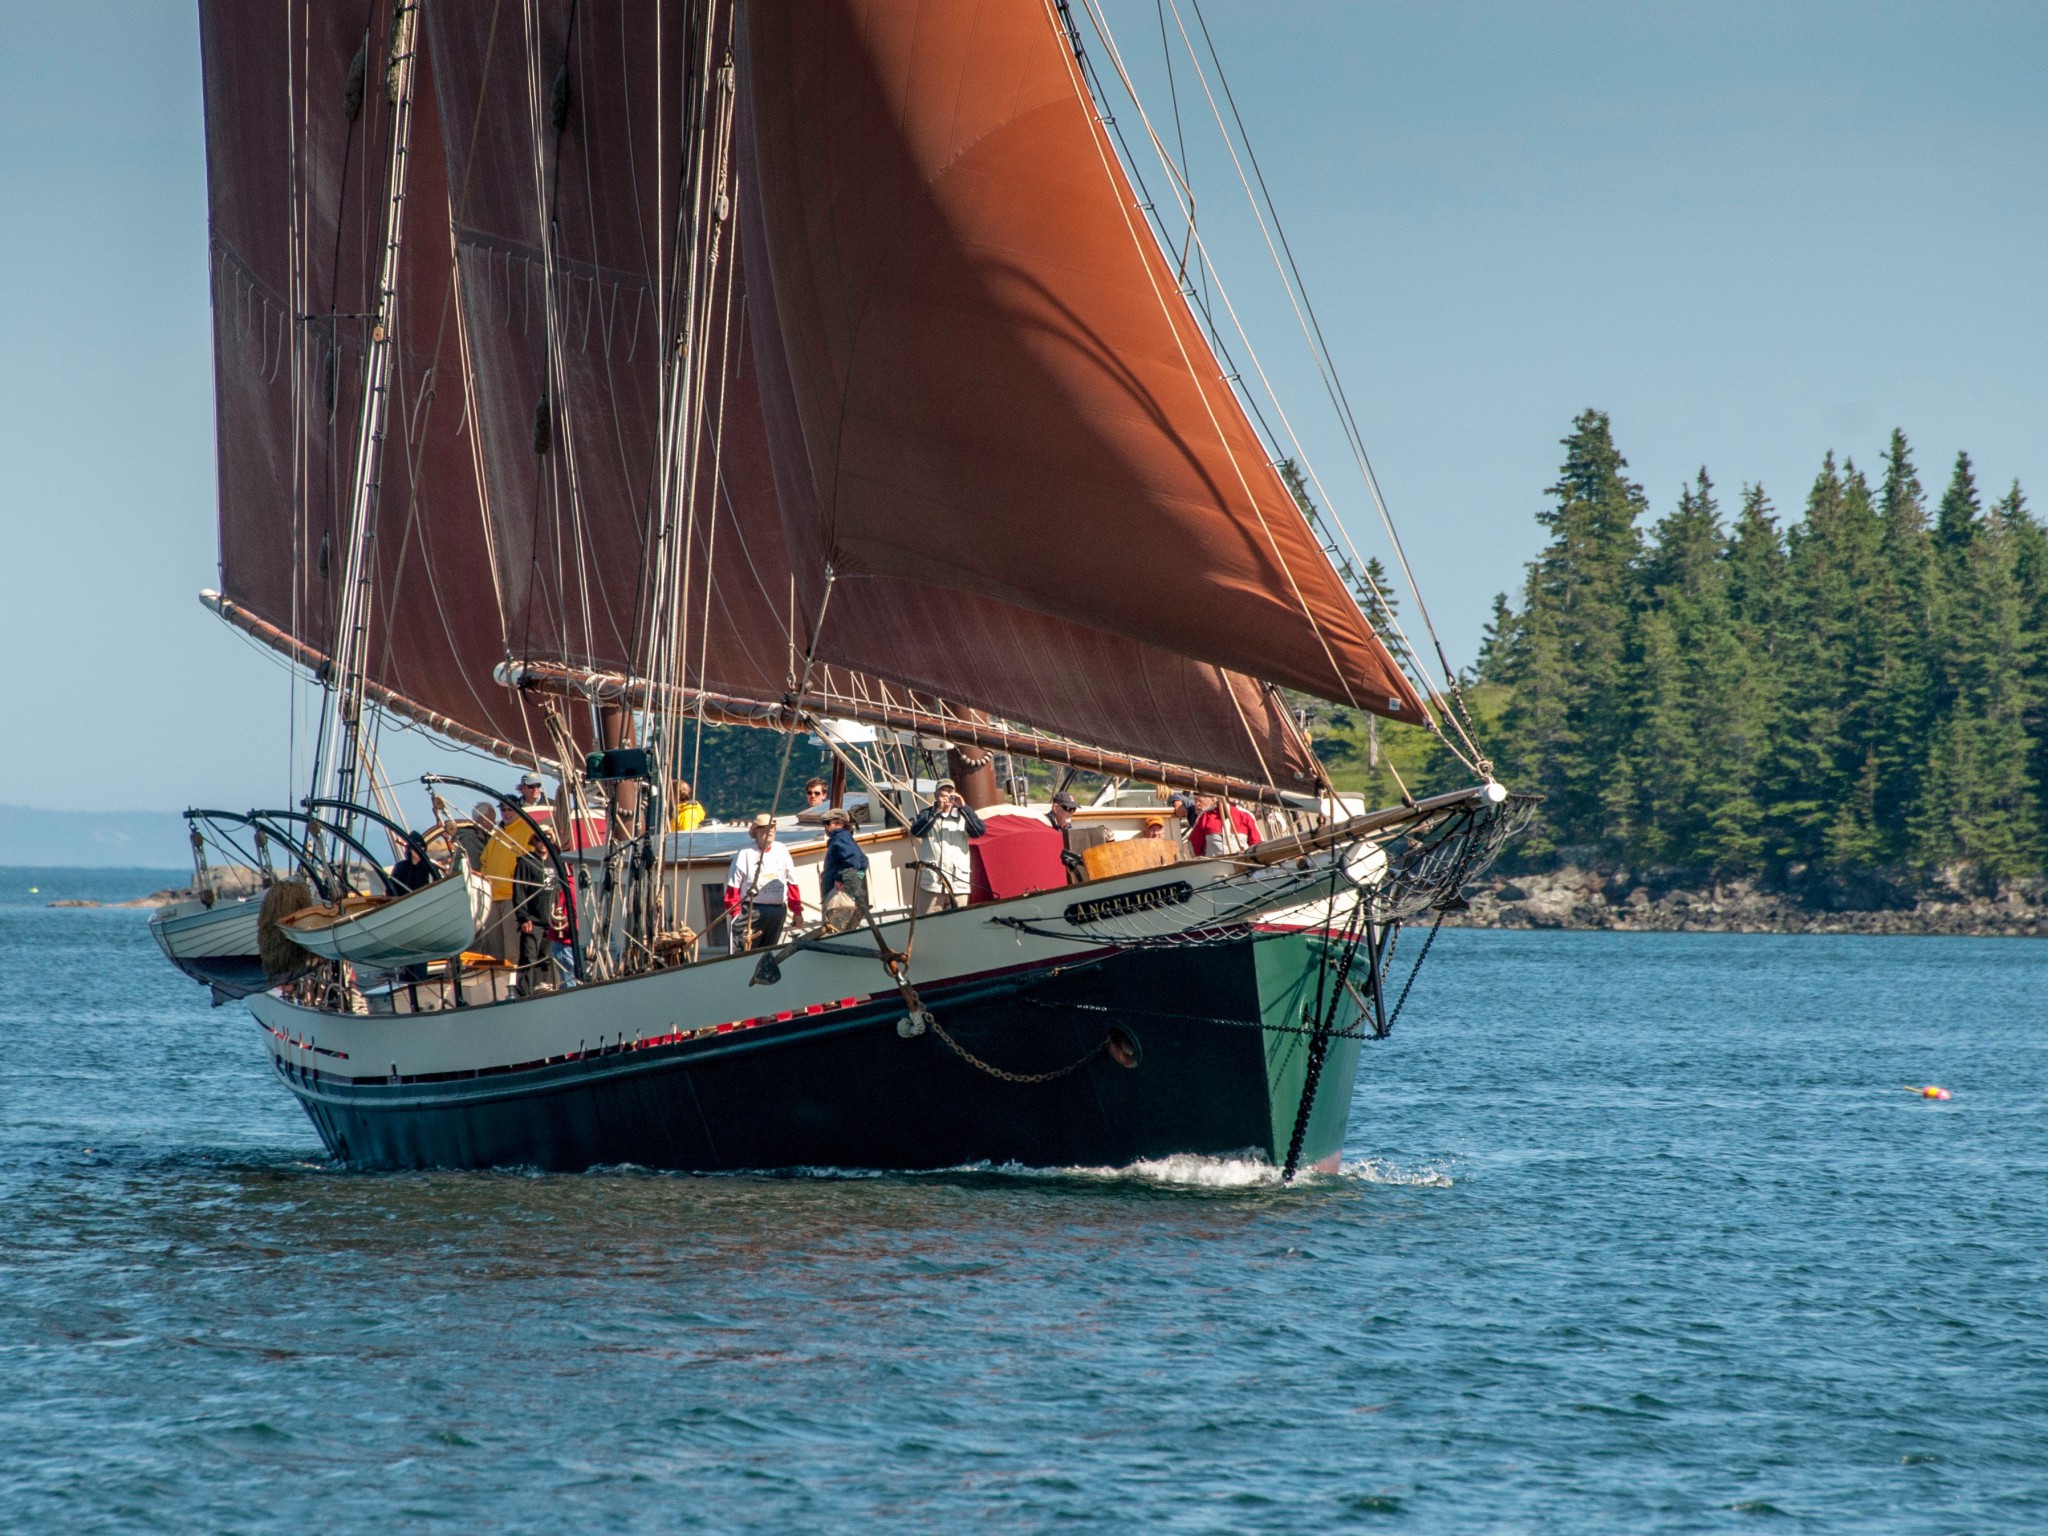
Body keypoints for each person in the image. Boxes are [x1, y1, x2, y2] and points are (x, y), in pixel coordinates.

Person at [724, 813, 801, 950]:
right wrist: (736, 914)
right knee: (742, 952)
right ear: (756, 832)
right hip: (751, 911)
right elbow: (733, 888)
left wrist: (797, 911)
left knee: (769, 951)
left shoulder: (782, 850)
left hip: (777, 912)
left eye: (772, 827)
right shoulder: (745, 853)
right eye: (765, 827)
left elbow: (792, 883)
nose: (770, 830)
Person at [909, 780, 984, 915]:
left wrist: (964, 807)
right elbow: (917, 832)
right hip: (932, 884)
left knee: (958, 924)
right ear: (936, 795)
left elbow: (978, 832)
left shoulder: (963, 816)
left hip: (958, 884)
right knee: (928, 924)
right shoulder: (927, 814)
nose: (947, 796)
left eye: (950, 792)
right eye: (943, 792)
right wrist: (937, 811)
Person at [510, 832, 556, 995]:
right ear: (533, 841)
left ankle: (541, 989)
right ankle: (523, 993)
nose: (542, 842)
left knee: (546, 958)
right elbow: (519, 892)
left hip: (551, 920)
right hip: (532, 921)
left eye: (546, 839)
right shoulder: (526, 862)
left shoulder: (556, 862)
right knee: (528, 958)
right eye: (538, 839)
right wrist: (523, 918)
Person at [818, 806, 869, 933]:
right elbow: (863, 861)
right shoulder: (845, 838)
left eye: (827, 823)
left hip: (837, 894)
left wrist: (841, 878)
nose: (825, 827)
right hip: (840, 892)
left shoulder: (841, 837)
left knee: (836, 929)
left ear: (839, 823)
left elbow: (853, 858)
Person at [1188, 793, 1262, 857]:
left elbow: (1257, 845)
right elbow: (1195, 846)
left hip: (1243, 865)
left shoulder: (1246, 816)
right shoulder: (1205, 817)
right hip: (1214, 866)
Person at [1046, 790, 1086, 882]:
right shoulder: (1046, 824)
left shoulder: (1067, 826)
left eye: (1074, 809)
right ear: (1055, 808)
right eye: (1067, 808)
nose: (1071, 813)